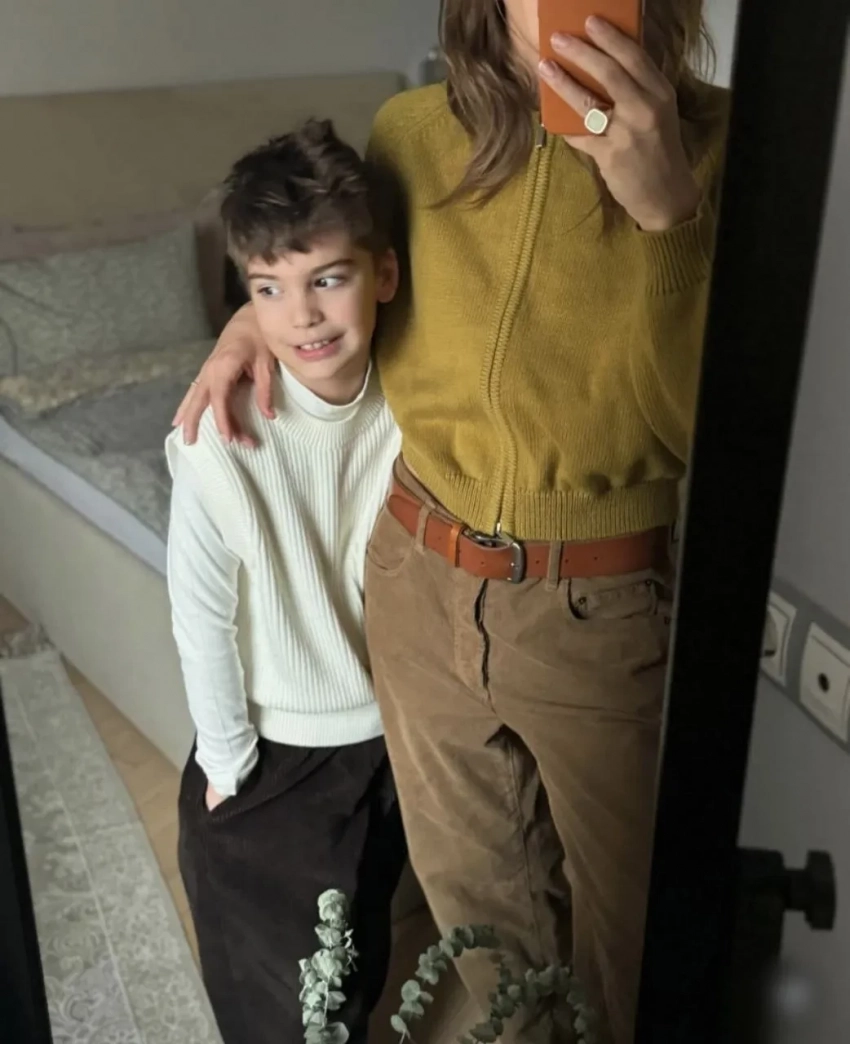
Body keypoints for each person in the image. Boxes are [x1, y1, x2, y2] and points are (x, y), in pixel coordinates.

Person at [174, 4, 728, 1042]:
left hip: (601, 606)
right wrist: (249, 318)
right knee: (481, 918)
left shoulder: (724, 147)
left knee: (639, 940)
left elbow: (713, 433)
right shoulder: (413, 134)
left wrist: (670, 220)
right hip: (416, 580)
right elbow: (339, 272)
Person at [165, 119, 405, 1044]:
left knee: (354, 983)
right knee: (276, 1008)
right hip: (271, 761)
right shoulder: (217, 437)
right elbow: (201, 613)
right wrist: (227, 766)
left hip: (387, 745)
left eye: (327, 280)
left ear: (384, 276)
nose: (300, 315)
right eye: (268, 289)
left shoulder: (415, 400)